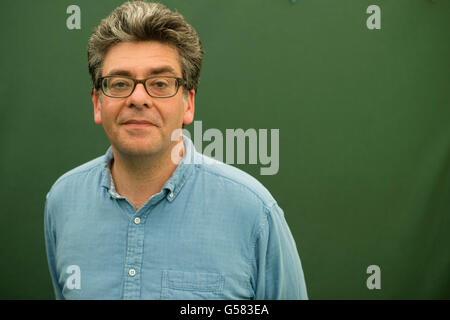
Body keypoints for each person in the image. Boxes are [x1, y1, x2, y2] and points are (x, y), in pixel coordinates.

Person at [44, 0, 308, 300]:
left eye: (160, 83)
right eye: (119, 83)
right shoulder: (62, 202)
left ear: (188, 103)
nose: (138, 98)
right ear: (97, 103)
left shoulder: (253, 213)